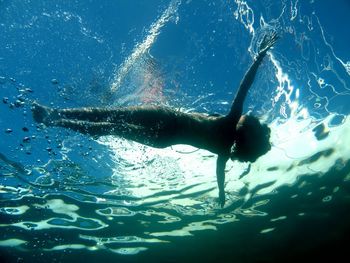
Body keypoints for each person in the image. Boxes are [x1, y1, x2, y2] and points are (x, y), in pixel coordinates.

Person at [32, 32, 278, 207]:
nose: (252, 117)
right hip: (164, 137)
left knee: (109, 116)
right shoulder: (224, 149)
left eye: (255, 122)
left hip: (165, 118)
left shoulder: (229, 121)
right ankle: (54, 120)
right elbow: (219, 174)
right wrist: (222, 194)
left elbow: (244, 87)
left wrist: (259, 57)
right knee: (110, 127)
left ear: (249, 129)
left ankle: (55, 114)